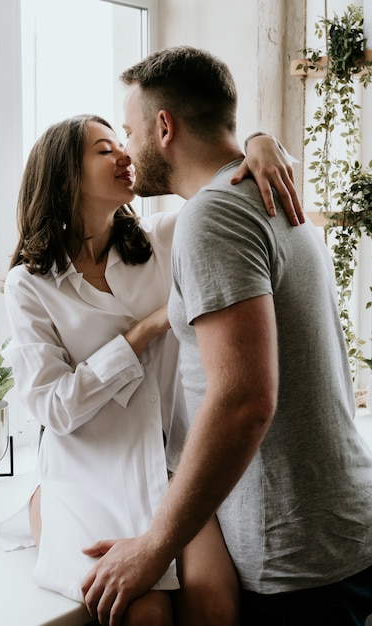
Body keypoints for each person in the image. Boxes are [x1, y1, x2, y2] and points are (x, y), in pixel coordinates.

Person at [80, 47, 372, 626]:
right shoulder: (275, 198)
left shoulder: (212, 216)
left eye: (131, 131)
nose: (129, 151)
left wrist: (151, 549)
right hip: (337, 538)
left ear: (165, 127)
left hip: (296, 563)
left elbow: (243, 401)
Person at [0, 112, 302, 625]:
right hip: (85, 474)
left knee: (215, 603)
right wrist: (146, 329)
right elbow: (55, 406)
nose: (124, 155)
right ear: (66, 175)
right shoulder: (29, 285)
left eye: (122, 143)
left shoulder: (163, 238)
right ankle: (42, 510)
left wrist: (262, 140)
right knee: (146, 615)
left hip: (168, 465)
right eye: (103, 149)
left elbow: (232, 182)